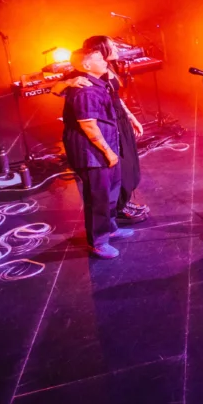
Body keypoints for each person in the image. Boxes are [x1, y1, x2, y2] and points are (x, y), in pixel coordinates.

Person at [53, 35, 149, 224]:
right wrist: (67, 83)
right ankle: (118, 208)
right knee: (115, 167)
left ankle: (121, 203)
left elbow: (116, 98)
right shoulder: (84, 73)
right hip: (104, 123)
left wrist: (130, 116)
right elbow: (55, 89)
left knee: (128, 165)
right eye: (111, 46)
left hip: (118, 119)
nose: (115, 48)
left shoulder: (107, 68)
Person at [61, 48, 135, 258]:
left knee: (111, 193)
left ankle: (110, 228)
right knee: (98, 198)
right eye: (99, 59)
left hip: (106, 148)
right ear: (85, 66)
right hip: (92, 154)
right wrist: (108, 153)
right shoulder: (85, 91)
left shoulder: (97, 83)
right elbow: (89, 126)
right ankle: (98, 242)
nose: (105, 61)